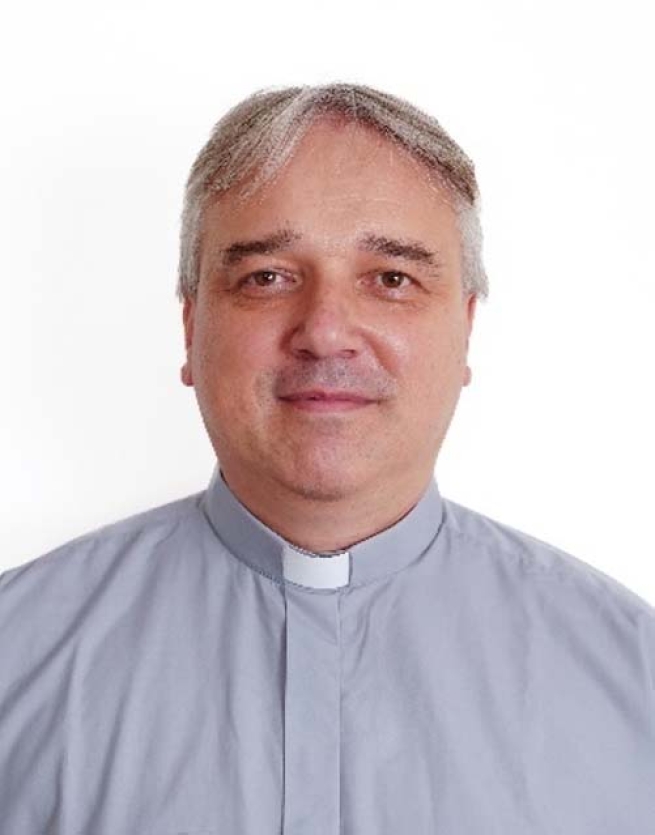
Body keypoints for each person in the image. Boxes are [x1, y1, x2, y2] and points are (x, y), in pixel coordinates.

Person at [1, 84, 654, 834]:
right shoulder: (15, 653)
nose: (325, 332)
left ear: (466, 328)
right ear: (191, 326)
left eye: (392, 279)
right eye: (267, 277)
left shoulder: (633, 677)